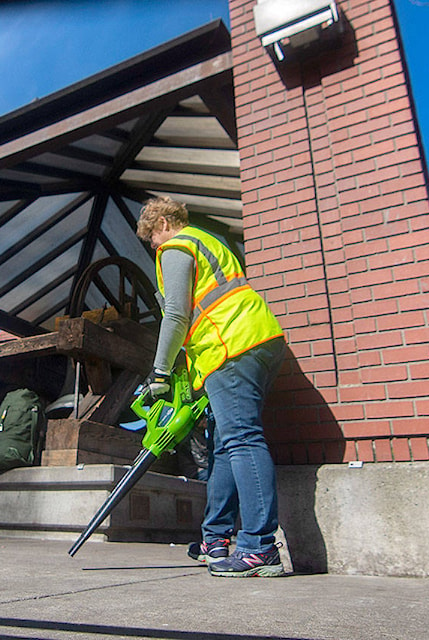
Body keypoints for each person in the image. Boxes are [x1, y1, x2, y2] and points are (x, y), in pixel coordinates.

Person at [136, 196, 286, 577]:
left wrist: (159, 372)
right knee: (224, 444)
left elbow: (176, 313)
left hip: (229, 347)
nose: (153, 246)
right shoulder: (211, 241)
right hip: (258, 340)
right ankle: (214, 538)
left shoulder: (176, 246)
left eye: (151, 238)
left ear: (162, 226)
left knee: (241, 439)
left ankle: (259, 547)